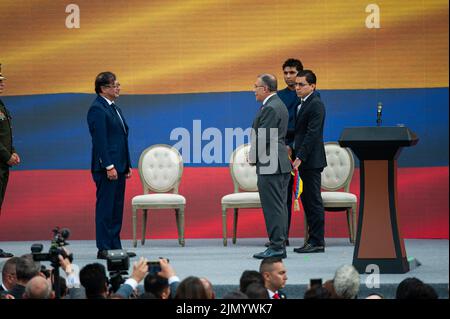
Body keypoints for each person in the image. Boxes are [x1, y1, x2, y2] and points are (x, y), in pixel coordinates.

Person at [87, 72, 135, 259]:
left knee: (116, 208)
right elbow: (100, 141)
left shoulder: (114, 108)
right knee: (106, 208)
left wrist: (127, 164)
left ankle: (115, 246)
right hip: (107, 168)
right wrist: (108, 165)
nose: (118, 88)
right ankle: (104, 247)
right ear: (104, 89)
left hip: (119, 166)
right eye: (115, 85)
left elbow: (121, 139)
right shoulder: (97, 109)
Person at [249, 74, 291, 259]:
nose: (253, 90)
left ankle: (276, 247)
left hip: (270, 164)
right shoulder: (278, 104)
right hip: (279, 163)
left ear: (265, 89)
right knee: (280, 206)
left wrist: (252, 157)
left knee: (273, 207)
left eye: (255, 86)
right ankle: (279, 243)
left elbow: (263, 137)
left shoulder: (270, 108)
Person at [264, 59, 303, 249]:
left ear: (300, 74)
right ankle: (282, 236)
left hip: (302, 150)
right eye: (285, 73)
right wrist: (284, 146)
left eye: (292, 72)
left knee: (308, 196)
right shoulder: (278, 97)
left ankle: (314, 240)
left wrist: (295, 146)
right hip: (282, 149)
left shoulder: (306, 96)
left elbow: (305, 127)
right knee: (283, 195)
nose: (288, 76)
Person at [292, 70, 327, 253]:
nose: (297, 88)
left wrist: (300, 157)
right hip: (305, 160)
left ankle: (317, 242)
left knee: (313, 201)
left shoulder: (316, 104)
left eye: (301, 84)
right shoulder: (303, 103)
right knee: (307, 200)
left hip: (311, 161)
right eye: (296, 84)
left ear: (312, 86)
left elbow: (312, 134)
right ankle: (311, 240)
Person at [0, 64, 20, 258]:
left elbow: (5, 134)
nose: (2, 83)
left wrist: (12, 151)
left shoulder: (1, 104)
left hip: (2, 164)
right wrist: (7, 155)